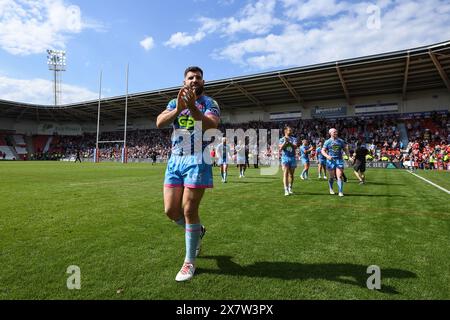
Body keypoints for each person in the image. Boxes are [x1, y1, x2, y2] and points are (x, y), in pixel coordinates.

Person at [156, 66, 220, 282]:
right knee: (170, 211)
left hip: (198, 158)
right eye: (190, 77)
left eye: (198, 77)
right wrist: (178, 108)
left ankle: (189, 261)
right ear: (184, 81)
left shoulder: (210, 103)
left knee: (189, 209)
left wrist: (192, 107)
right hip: (175, 159)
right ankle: (197, 231)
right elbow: (159, 122)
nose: (195, 80)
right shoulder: (174, 102)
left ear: (203, 81)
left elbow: (211, 125)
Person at [321, 128, 350, 197]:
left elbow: (345, 149)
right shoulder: (327, 141)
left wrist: (349, 156)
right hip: (330, 161)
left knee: (339, 176)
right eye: (334, 132)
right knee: (331, 177)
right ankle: (331, 189)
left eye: (336, 132)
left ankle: (340, 191)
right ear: (330, 133)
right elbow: (323, 151)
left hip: (339, 160)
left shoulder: (340, 141)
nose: (336, 133)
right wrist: (327, 156)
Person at [279, 126, 298, 196]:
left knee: (291, 175)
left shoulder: (294, 139)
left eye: (291, 130)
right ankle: (286, 189)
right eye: (289, 130)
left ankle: (290, 188)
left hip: (292, 158)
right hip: (285, 157)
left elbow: (295, 146)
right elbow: (281, 148)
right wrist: (285, 142)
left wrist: (289, 142)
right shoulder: (281, 139)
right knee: (285, 173)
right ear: (285, 131)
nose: (291, 131)